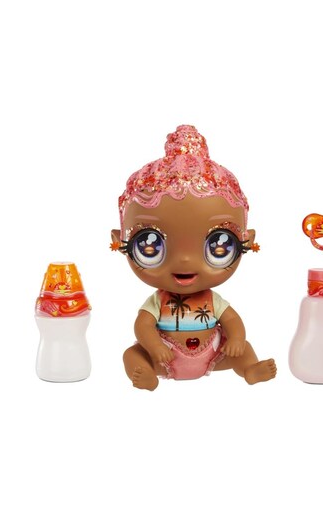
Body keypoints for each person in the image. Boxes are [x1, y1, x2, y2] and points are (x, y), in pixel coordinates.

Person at [111, 125, 277, 390]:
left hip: (212, 355)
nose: (185, 261)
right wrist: (154, 346)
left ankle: (249, 369)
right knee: (132, 355)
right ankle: (146, 376)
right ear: (120, 241)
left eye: (219, 246)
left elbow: (232, 320)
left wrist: (236, 339)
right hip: (164, 357)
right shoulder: (158, 302)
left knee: (243, 349)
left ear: (247, 241)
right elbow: (143, 326)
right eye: (150, 246)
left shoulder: (213, 301)